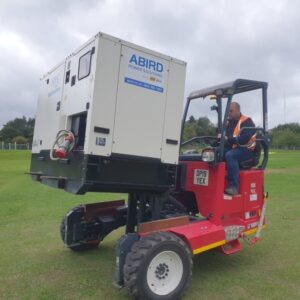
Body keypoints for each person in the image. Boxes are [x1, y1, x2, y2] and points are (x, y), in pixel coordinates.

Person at [224, 102, 256, 195]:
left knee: (230, 155)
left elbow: (244, 138)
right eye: (228, 111)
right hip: (235, 148)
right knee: (215, 153)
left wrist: (228, 139)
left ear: (238, 110)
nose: (229, 113)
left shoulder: (247, 121)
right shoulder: (230, 123)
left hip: (247, 150)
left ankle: (234, 187)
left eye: (231, 111)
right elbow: (226, 138)